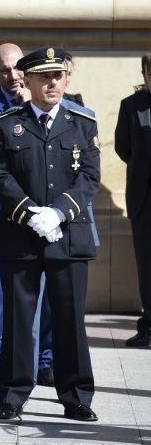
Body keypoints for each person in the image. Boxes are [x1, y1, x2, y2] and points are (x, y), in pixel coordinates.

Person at [0, 47, 100, 422]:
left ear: (66, 79)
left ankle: (77, 395)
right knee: (19, 319)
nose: (52, 83)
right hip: (22, 234)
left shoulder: (83, 123)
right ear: (27, 80)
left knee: (69, 318)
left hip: (67, 234)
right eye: (43, 76)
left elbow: (89, 177)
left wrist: (59, 212)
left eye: (58, 76)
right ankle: (13, 395)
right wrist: (28, 212)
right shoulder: (6, 123)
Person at [0, 43, 55, 389]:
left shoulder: (47, 107)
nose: (12, 75)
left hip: (46, 211)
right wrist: (21, 112)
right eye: (3, 70)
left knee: (49, 286)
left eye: (17, 68)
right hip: (1, 211)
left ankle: (46, 360)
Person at [115, 53, 151, 347]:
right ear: (145, 74)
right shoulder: (131, 106)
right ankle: (148, 326)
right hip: (144, 198)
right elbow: (122, 147)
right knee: (147, 266)